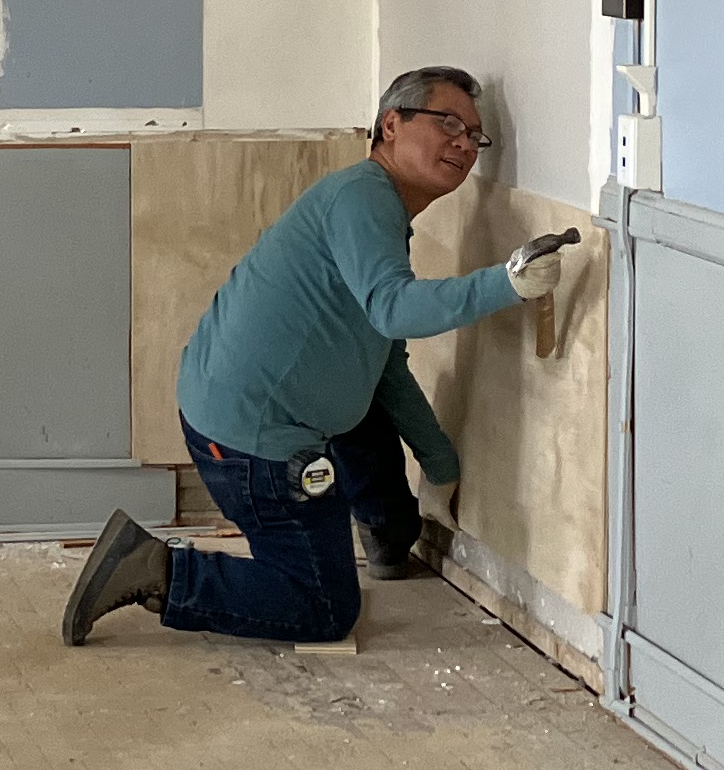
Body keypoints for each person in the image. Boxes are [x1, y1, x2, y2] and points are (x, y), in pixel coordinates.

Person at [62, 67, 551, 650]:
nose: (465, 144)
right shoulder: (364, 198)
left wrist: (440, 468)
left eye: (475, 136)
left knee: (361, 403)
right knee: (322, 607)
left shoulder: (372, 206)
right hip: (254, 444)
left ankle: (390, 536)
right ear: (390, 124)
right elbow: (395, 310)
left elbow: (386, 367)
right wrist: (508, 284)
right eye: (448, 124)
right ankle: (157, 570)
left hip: (235, 413)